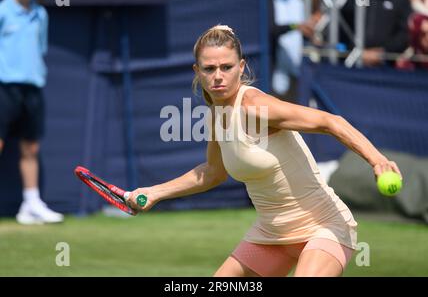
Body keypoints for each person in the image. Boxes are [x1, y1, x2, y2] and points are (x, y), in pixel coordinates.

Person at [125, 25, 402, 277]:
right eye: (209, 69)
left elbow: (330, 122)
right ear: (197, 72)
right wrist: (154, 192)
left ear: (241, 67)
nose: (218, 76)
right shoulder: (215, 114)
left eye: (226, 67)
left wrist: (376, 160)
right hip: (271, 233)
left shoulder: (255, 106)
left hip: (324, 227)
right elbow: (212, 173)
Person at [0, 0, 63, 224]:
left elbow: (40, 48)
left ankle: (31, 203)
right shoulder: (3, 12)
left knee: (31, 147)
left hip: (32, 89)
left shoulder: (41, 14)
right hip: (4, 88)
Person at [341, 0, 412, 67]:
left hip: (388, 67)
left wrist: (383, 52)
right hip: (351, 63)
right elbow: (341, 24)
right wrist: (356, 51)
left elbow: (404, 32)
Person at [268, 0, 316, 102]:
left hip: (294, 72)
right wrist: (296, 26)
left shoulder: (296, 0)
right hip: (271, 72)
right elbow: (271, 29)